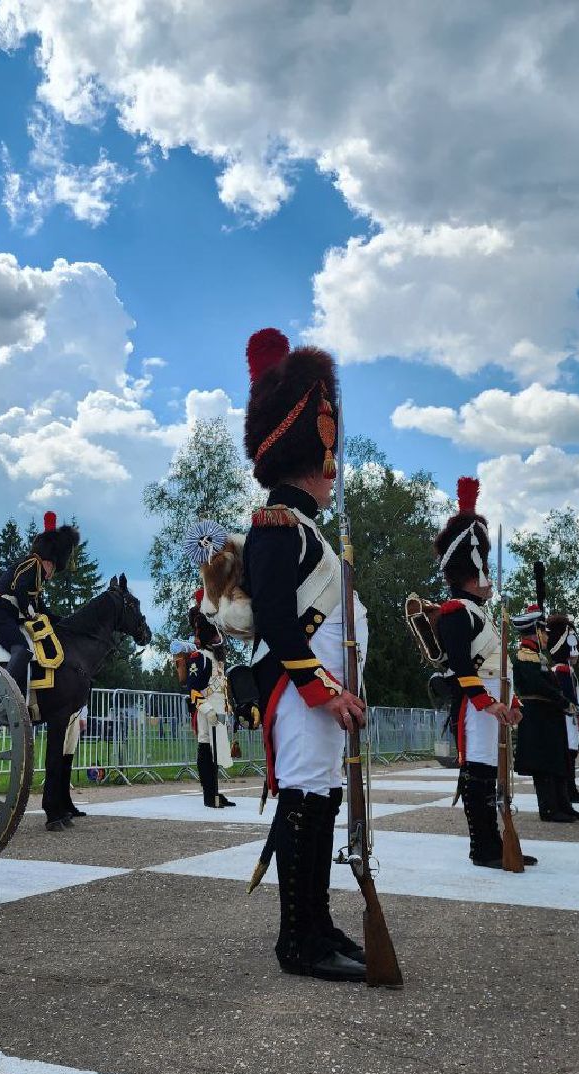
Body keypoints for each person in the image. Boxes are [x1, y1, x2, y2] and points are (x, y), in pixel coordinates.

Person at [240, 327, 367, 982]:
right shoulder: (274, 527)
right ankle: (297, 941)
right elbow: (281, 628)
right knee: (304, 802)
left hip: (323, 700)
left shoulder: (309, 528)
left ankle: (317, 925)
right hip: (299, 696)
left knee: (320, 806)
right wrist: (324, 690)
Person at [432, 476, 531, 869]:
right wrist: (487, 703)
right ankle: (483, 847)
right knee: (478, 776)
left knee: (492, 775)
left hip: (493, 705)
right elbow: (460, 666)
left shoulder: (480, 615)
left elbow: (499, 667)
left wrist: (512, 702)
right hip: (477, 708)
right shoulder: (456, 612)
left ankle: (494, 844)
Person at [0, 512, 79, 704]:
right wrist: (28, 610)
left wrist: (65, 622)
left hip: (5, 614)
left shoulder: (36, 579)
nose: (52, 573)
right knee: (21, 648)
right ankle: (2, 698)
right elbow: (20, 588)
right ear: (48, 561)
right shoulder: (32, 564)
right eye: (53, 567)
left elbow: (43, 611)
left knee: (24, 648)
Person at [512, 605, 579, 822]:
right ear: (536, 631)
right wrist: (562, 699)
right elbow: (539, 686)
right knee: (544, 765)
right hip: (537, 716)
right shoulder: (526, 656)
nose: (546, 637)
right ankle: (550, 809)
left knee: (557, 761)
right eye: (543, 631)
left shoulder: (537, 657)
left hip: (547, 714)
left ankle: (563, 804)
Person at [186, 591, 237, 809]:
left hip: (219, 712)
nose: (218, 640)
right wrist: (207, 710)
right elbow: (193, 689)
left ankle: (216, 792)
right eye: (215, 637)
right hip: (207, 713)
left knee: (218, 754)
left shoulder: (216, 659)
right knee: (206, 751)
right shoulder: (200, 658)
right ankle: (209, 796)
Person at [547, 613, 579, 806]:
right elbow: (568, 698)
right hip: (565, 719)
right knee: (568, 756)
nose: (574, 652)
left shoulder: (566, 670)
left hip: (568, 719)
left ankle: (570, 790)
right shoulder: (562, 670)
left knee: (570, 755)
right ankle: (568, 791)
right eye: (571, 647)